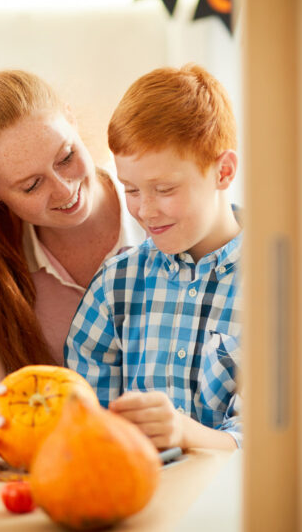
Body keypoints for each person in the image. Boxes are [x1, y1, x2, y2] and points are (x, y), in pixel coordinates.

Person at [0, 70, 145, 458]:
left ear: (71, 118)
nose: (64, 189)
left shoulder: (165, 215)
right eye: (31, 185)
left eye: (66, 157)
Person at [66, 64, 242, 450]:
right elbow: (86, 428)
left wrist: (184, 433)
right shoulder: (116, 284)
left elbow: (273, 446)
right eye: (130, 189)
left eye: (164, 188)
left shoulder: (281, 280)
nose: (145, 211)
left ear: (223, 172)